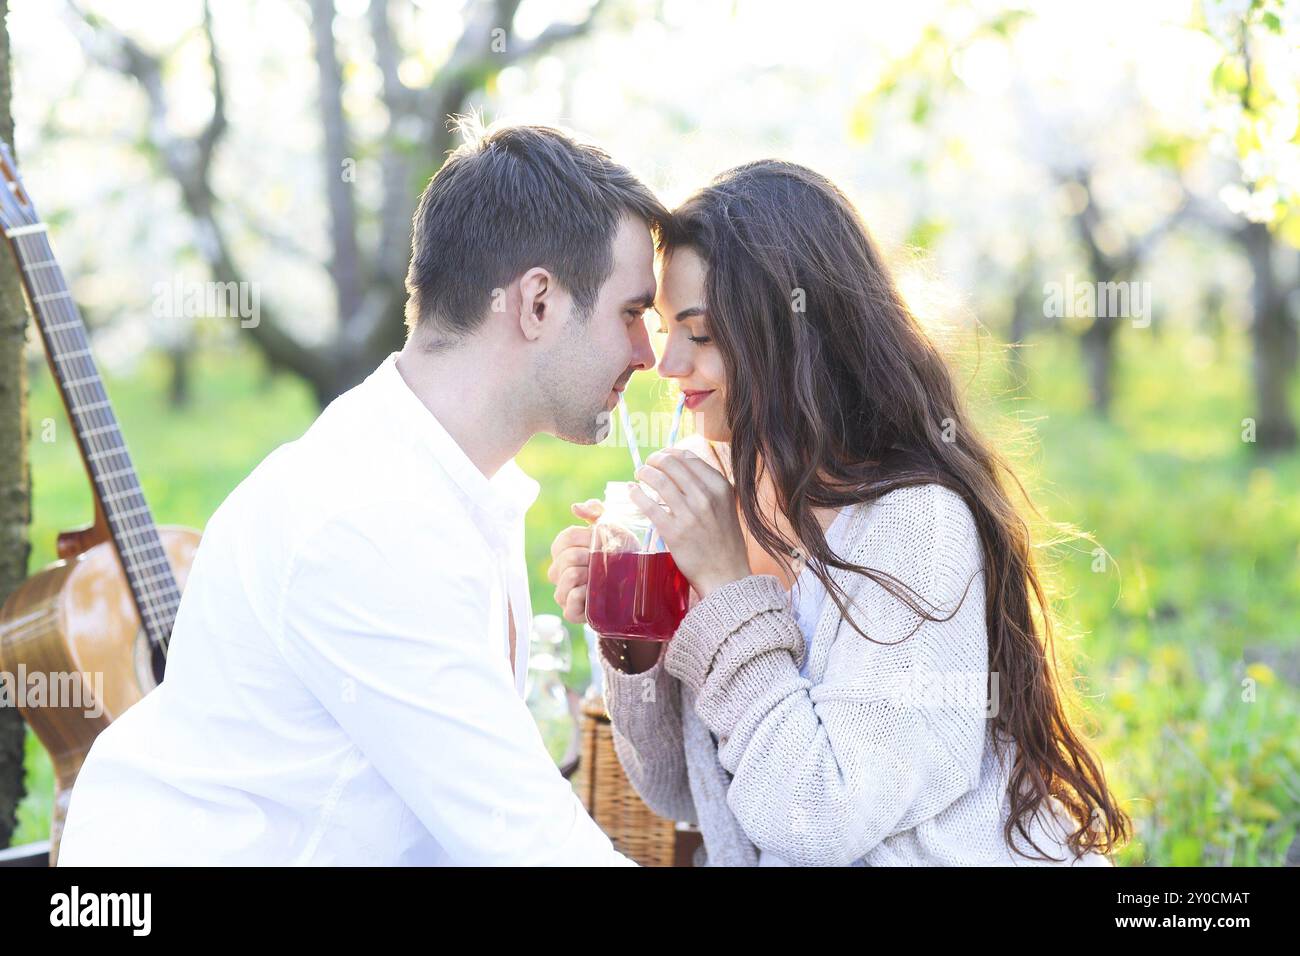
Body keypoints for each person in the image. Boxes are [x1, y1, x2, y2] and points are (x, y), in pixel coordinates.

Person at [58, 123, 666, 865]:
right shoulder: (368, 519)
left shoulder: (456, 485)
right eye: (631, 314)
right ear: (537, 302)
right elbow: (532, 847)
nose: (648, 353)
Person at [550, 160, 1131, 866]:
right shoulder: (726, 496)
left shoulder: (914, 525)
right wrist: (631, 627)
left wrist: (732, 592)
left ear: (793, 331)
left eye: (699, 335)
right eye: (668, 328)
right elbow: (681, 791)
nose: (668, 364)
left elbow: (821, 817)